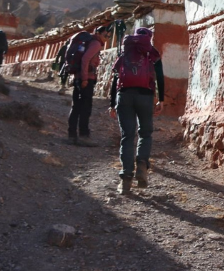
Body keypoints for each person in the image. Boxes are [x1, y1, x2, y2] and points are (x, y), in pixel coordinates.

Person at [108, 27, 164, 194]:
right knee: (145, 133)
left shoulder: (124, 53)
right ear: (149, 38)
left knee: (127, 136)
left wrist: (112, 103)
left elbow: (115, 79)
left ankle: (125, 180)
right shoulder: (152, 54)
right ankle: (141, 165)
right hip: (145, 97)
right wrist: (161, 100)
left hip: (124, 95)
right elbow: (160, 77)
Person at [67, 25, 110, 146]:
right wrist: (85, 78)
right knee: (85, 108)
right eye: (105, 35)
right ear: (98, 33)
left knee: (76, 106)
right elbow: (85, 59)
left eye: (109, 36)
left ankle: (71, 135)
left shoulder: (89, 41)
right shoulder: (95, 43)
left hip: (78, 77)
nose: (106, 38)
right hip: (86, 78)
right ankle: (84, 136)